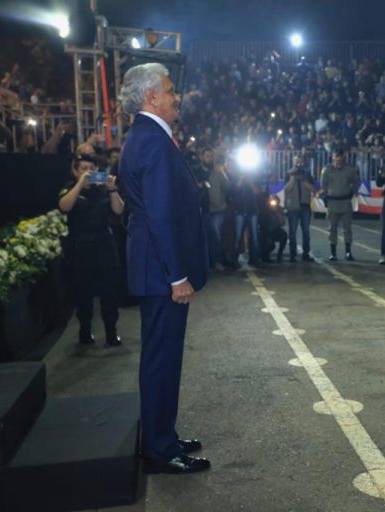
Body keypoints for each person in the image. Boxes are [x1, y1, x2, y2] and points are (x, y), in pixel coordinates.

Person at [117, 63, 210, 474]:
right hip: (161, 273)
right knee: (161, 361)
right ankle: (159, 450)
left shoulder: (146, 136)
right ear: (151, 96)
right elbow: (159, 214)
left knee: (162, 358)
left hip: (155, 268)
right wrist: (177, 275)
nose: (177, 97)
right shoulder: (152, 141)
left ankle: (162, 436)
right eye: (170, 90)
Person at [58, 153, 124, 346]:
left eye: (91, 169)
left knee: (109, 293)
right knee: (83, 294)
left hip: (105, 246)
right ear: (75, 171)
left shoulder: (103, 190)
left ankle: (111, 332)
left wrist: (112, 190)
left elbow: (119, 210)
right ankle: (85, 331)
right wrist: (80, 184)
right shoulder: (69, 188)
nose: (88, 173)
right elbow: (64, 206)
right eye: (83, 169)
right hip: (80, 248)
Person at [320, 147, 360, 261]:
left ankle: (348, 252)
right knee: (332, 229)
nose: (338, 158)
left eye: (340, 156)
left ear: (344, 157)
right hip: (332, 202)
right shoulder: (327, 170)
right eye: (336, 156)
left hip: (345, 202)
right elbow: (323, 185)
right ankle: (333, 253)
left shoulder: (350, 170)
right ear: (333, 157)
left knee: (347, 229)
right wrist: (326, 195)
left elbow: (356, 182)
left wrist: (352, 192)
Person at [284, 154, 315, 262]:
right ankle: (292, 255)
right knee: (292, 231)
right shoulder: (288, 173)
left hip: (305, 205)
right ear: (293, 162)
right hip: (293, 206)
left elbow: (312, 188)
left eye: (301, 161)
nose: (299, 164)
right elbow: (286, 189)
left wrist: (303, 180)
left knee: (306, 231)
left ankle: (306, 254)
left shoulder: (307, 173)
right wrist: (293, 178)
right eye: (297, 161)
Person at [207, 153, 231, 271]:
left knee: (217, 236)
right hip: (207, 209)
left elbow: (228, 186)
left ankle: (217, 261)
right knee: (211, 237)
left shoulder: (220, 174)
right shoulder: (206, 173)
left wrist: (222, 173)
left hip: (219, 210)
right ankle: (211, 262)